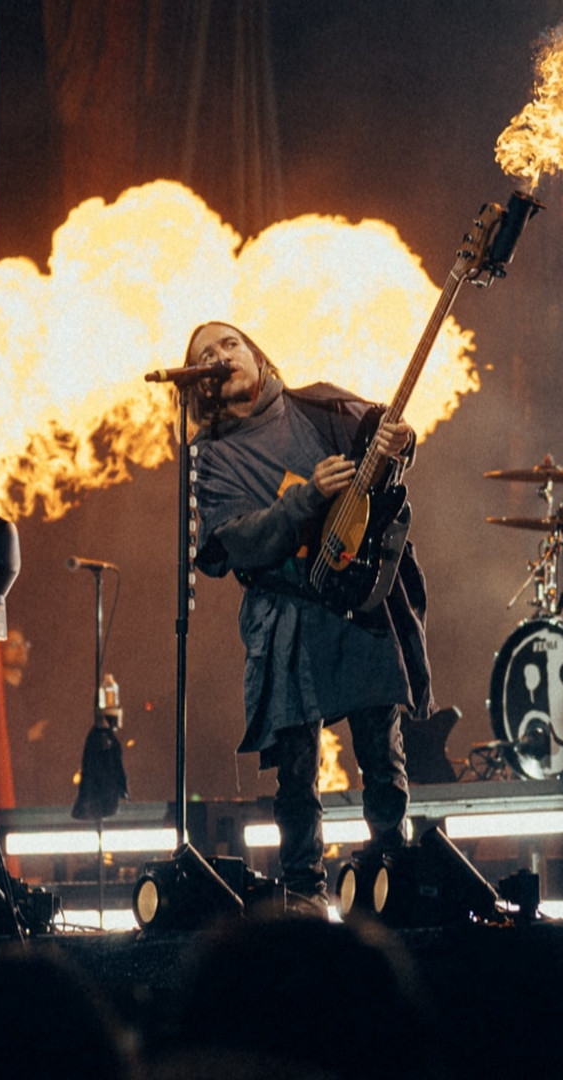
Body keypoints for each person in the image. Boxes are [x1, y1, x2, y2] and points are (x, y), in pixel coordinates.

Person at [183, 322, 431, 913]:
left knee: (381, 749)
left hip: (356, 597)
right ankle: (305, 893)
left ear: (257, 354)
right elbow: (237, 541)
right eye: (206, 355)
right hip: (285, 613)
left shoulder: (320, 407)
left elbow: (385, 444)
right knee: (296, 771)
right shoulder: (209, 459)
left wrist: (402, 440)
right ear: (199, 384)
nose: (221, 356)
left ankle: (390, 878)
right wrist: (306, 497)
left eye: (230, 344)